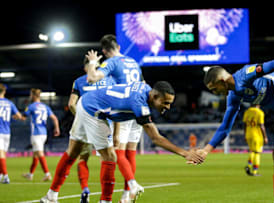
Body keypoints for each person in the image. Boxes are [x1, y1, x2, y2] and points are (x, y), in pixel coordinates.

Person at [40, 81, 204, 203]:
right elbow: (155, 138)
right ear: (154, 96)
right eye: (165, 102)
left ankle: (51, 196)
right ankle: (105, 200)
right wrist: (185, 153)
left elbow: (118, 103)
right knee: (110, 157)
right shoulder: (139, 104)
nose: (167, 107)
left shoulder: (145, 89)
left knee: (72, 153)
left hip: (85, 102)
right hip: (94, 111)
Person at [196, 59, 274, 203]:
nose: (215, 93)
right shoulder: (234, 96)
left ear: (222, 80)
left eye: (214, 88)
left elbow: (273, 64)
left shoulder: (245, 74)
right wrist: (206, 150)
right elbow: (225, 127)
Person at [86, 34, 145, 203]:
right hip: (139, 108)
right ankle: (127, 196)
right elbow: (143, 82)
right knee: (131, 153)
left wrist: (92, 62)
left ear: (104, 51)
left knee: (117, 151)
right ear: (118, 47)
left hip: (124, 107)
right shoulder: (133, 62)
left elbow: (91, 78)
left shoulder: (111, 62)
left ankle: (132, 186)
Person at [68, 56, 116, 203]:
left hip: (84, 126)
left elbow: (71, 104)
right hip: (104, 125)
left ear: (85, 68)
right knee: (107, 159)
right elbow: (114, 105)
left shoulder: (78, 81)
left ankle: (85, 189)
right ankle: (105, 198)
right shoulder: (108, 80)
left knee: (82, 158)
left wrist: (82, 117)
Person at [22, 88, 60, 182]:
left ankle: (47, 174)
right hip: (44, 133)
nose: (30, 96)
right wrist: (57, 128)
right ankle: (30, 174)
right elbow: (54, 118)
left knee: (39, 153)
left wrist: (16, 116)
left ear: (34, 96)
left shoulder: (31, 106)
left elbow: (23, 117)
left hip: (36, 133)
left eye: (31, 95)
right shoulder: (45, 107)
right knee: (35, 154)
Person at [0, 83, 24, 184]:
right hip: (7, 132)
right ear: (4, 92)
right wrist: (14, 117)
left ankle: (5, 176)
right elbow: (19, 116)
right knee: (3, 154)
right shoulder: (10, 103)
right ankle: (1, 175)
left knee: (1, 154)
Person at [242, 104, 268, 176]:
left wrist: (245, 134)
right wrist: (265, 137)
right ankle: (254, 172)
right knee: (257, 153)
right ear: (258, 104)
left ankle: (248, 166)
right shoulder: (260, 113)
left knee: (252, 151)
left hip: (248, 134)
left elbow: (244, 124)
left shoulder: (247, 112)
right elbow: (261, 126)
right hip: (257, 136)